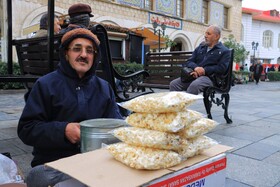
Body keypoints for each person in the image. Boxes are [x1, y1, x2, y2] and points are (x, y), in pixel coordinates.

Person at [18, 28, 123, 187]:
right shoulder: (46, 85)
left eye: (89, 51)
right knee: (37, 177)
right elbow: (26, 129)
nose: (83, 55)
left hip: (96, 161)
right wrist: (63, 131)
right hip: (58, 164)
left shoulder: (104, 87)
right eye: (77, 49)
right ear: (66, 54)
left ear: (95, 57)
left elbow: (116, 126)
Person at [169, 25, 230, 94]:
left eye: (208, 34)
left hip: (210, 78)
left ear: (217, 36)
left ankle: (187, 103)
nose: (205, 36)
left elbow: (222, 68)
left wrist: (204, 70)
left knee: (194, 85)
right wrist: (196, 68)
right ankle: (178, 105)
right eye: (205, 33)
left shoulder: (224, 51)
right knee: (174, 84)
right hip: (194, 75)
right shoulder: (201, 47)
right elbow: (189, 61)